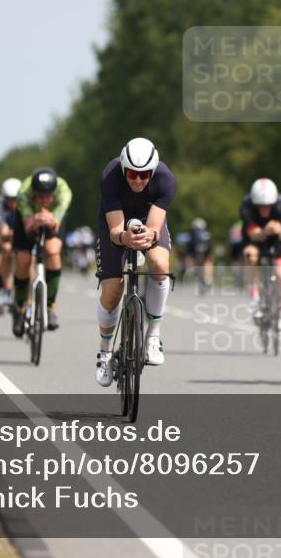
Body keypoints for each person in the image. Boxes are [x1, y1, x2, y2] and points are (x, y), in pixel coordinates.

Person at [94, 138, 176, 387]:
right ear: (123, 169)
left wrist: (150, 235)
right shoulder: (110, 175)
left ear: (152, 172)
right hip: (116, 222)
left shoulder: (165, 179)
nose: (137, 180)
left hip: (147, 217)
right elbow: (115, 230)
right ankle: (105, 352)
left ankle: (153, 336)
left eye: (143, 175)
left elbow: (155, 225)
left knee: (160, 264)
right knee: (112, 291)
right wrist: (124, 237)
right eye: (132, 173)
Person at [11, 168, 72, 336]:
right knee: (23, 259)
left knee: (52, 251)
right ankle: (19, 306)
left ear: (54, 192)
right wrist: (36, 220)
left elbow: (56, 223)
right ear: (34, 193)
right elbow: (28, 226)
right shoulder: (24, 192)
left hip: (53, 218)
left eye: (48, 196)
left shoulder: (64, 191)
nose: (44, 200)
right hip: (29, 219)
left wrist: (50, 220)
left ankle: (50, 306)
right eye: (40, 196)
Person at [240, 178, 281, 337]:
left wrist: (278, 230)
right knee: (250, 256)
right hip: (256, 237)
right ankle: (255, 298)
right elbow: (253, 234)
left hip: (278, 240)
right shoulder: (247, 206)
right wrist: (265, 231)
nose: (264, 210)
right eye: (261, 207)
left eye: (268, 206)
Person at [0, 177, 22, 307]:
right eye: (10, 199)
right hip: (7, 236)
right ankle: (6, 289)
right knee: (7, 250)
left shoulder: (25, 203)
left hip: (22, 233)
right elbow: (4, 232)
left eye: (15, 199)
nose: (13, 202)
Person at [189, 217, 213, 291]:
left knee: (195, 261)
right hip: (206, 249)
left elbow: (190, 244)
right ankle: (208, 279)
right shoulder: (207, 232)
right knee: (208, 261)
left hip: (195, 249)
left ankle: (196, 275)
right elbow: (210, 244)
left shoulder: (193, 232)